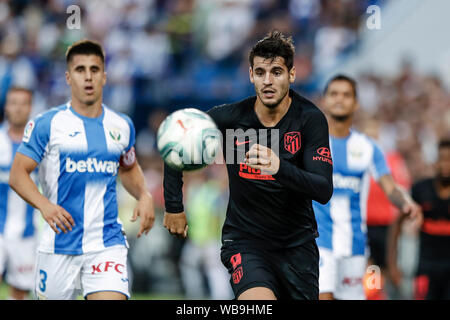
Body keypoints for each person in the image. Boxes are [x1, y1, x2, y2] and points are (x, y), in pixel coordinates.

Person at [163, 30, 333, 300]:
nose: (268, 81)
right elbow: (176, 145)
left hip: (297, 248)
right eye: (260, 72)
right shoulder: (229, 118)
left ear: (291, 74)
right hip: (245, 242)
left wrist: (279, 168)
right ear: (251, 75)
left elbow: (323, 190)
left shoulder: (309, 120)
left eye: (276, 72)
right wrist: (174, 206)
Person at [8, 40, 155, 300]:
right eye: (80, 70)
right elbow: (18, 174)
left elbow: (129, 168)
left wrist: (143, 195)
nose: (88, 77)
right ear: (68, 77)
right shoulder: (46, 124)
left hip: (106, 243)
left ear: (105, 77)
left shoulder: (121, 125)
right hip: (58, 245)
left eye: (95, 69)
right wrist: (45, 206)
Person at [312, 75, 422, 300]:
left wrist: (406, 203)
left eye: (346, 94)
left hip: (356, 246)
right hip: (320, 243)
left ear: (356, 103)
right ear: (324, 101)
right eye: (334, 94)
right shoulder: (310, 144)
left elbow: (390, 187)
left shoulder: (368, 148)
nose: (339, 99)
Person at [387, 139, 450, 300]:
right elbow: (397, 223)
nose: (445, 164)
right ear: (435, 161)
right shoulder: (421, 190)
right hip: (426, 269)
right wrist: (393, 264)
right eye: (442, 159)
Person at [363, 118, 412, 300]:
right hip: (365, 223)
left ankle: (397, 294)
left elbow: (403, 187)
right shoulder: (358, 160)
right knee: (372, 268)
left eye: (374, 132)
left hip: (388, 225)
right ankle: (376, 296)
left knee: (391, 267)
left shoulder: (391, 159)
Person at [0, 87, 38, 299]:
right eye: (13, 103)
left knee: (19, 292)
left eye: (23, 103)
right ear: (6, 107)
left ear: (30, 108)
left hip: (26, 233)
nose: (18, 108)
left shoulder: (39, 145)